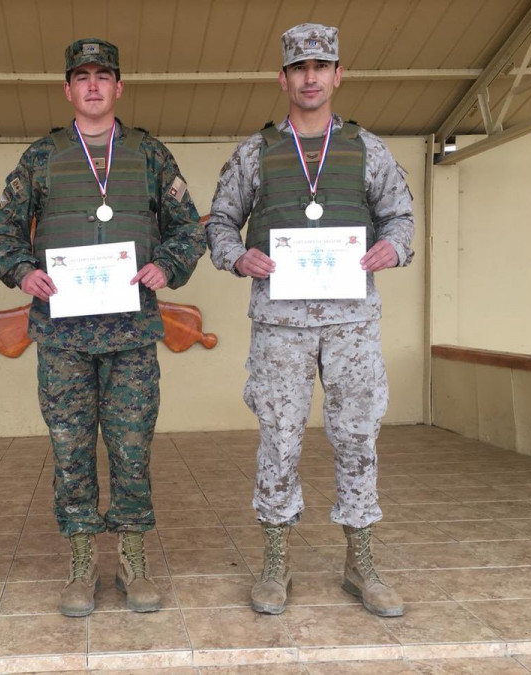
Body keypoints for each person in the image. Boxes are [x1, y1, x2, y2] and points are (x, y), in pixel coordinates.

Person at [206, 23, 414, 618]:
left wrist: (393, 249)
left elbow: (400, 217)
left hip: (352, 325)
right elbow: (219, 220)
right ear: (284, 78)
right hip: (280, 327)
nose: (311, 77)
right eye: (300, 68)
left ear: (338, 74)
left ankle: (361, 562)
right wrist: (236, 254)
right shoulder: (256, 152)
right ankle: (276, 561)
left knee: (357, 438)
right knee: (280, 439)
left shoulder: (368, 149)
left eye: (322, 66)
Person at [0, 38, 205, 617]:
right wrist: (23, 271)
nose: (92, 86)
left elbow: (190, 229)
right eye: (81, 76)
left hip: (131, 336)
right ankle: (82, 562)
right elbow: (3, 232)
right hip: (62, 338)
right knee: (70, 451)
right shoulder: (41, 158)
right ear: (67, 89)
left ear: (119, 86)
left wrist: (169, 264)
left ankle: (133, 559)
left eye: (102, 76)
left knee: (131, 450)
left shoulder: (150, 155)